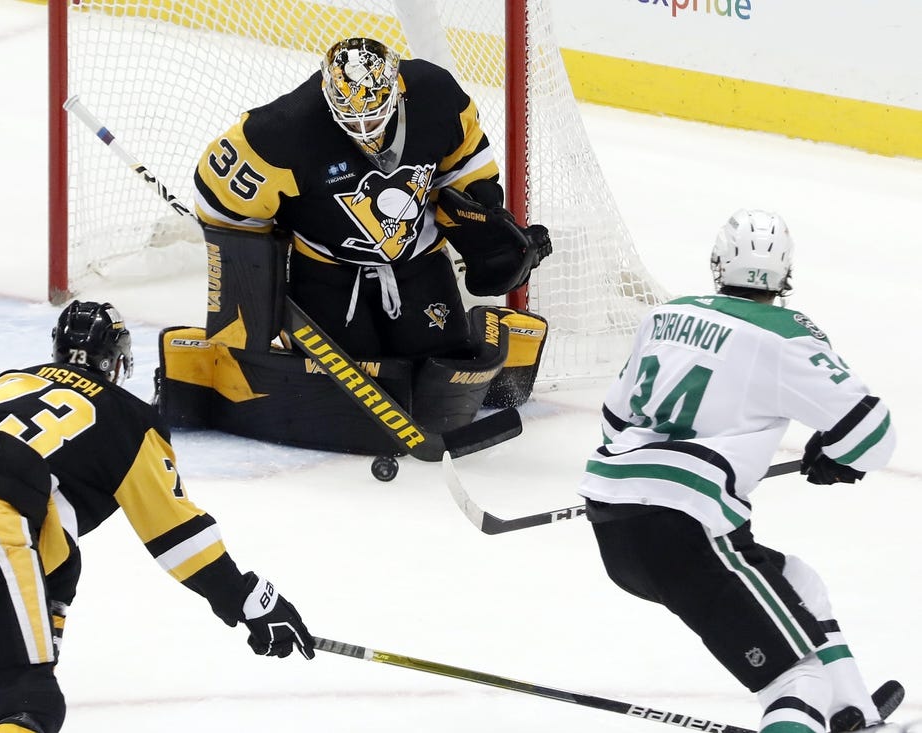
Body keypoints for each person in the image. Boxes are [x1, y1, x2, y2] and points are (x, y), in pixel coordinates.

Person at [0, 301, 314, 733]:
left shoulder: (11, 380)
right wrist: (247, 599)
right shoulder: (130, 419)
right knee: (29, 703)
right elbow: (178, 536)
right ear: (117, 361)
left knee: (49, 577)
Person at [576, 210, 901, 733]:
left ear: (717, 262)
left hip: (614, 522)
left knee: (799, 582)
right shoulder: (784, 335)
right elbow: (873, 436)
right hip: (688, 529)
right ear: (786, 273)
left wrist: (643, 487)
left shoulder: (666, 315)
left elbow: (615, 421)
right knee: (799, 681)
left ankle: (855, 715)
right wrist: (837, 453)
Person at [192, 35, 551, 360]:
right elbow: (218, 197)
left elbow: (466, 162)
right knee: (342, 376)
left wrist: (485, 218)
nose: (364, 128)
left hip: (418, 259)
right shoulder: (285, 130)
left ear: (396, 90)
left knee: (444, 362)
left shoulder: (435, 95)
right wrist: (254, 266)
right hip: (325, 267)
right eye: (349, 116)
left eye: (375, 113)